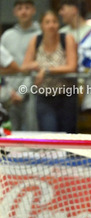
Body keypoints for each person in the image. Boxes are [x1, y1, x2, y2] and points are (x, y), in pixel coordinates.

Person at [21, 10, 78, 132]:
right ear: (41, 25)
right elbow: (25, 66)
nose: (51, 25)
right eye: (47, 22)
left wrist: (46, 70)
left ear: (59, 24)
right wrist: (35, 66)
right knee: (49, 132)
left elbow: (71, 66)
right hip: (44, 95)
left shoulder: (66, 38)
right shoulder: (36, 40)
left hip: (66, 95)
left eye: (54, 22)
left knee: (67, 134)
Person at [0, 0, 40, 131]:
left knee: (31, 135)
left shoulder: (40, 35)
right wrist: (9, 91)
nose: (24, 11)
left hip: (31, 94)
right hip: (8, 95)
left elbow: (37, 67)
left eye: (27, 8)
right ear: (14, 12)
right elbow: (3, 66)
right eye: (20, 8)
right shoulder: (7, 36)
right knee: (8, 133)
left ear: (33, 10)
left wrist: (21, 92)